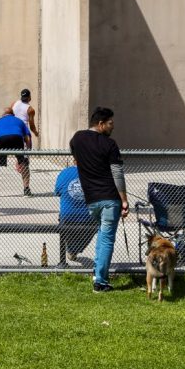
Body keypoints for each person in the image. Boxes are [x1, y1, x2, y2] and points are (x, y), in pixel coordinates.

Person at [69, 107, 127, 292]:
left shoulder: (77, 138)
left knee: (102, 236)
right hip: (110, 199)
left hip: (91, 200)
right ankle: (100, 281)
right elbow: (117, 173)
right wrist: (124, 200)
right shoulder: (110, 144)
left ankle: (97, 271)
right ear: (100, 124)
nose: (113, 127)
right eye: (110, 123)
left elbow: (76, 157)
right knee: (106, 239)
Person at [0, 106, 32, 197]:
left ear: (3, 115)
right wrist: (27, 154)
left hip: (2, 139)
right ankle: (26, 190)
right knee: (23, 163)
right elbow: (27, 138)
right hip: (17, 138)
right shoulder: (19, 121)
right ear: (13, 114)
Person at [54, 162, 98, 263]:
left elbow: (57, 192)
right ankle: (73, 250)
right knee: (94, 225)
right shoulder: (94, 173)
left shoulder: (64, 173)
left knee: (69, 232)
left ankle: (71, 249)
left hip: (67, 217)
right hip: (89, 217)